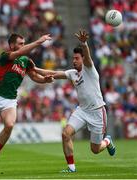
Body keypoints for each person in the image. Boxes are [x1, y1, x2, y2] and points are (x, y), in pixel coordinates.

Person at [35, 29, 116, 172]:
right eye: (73, 58)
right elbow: (53, 73)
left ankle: (107, 141)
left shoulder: (90, 69)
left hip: (97, 112)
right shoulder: (72, 74)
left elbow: (89, 57)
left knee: (95, 149)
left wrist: (84, 43)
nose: (74, 61)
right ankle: (71, 168)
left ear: (83, 59)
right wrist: (34, 68)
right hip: (82, 111)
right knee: (65, 134)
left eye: (77, 58)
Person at [0, 33, 54, 170]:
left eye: (24, 43)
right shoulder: (5, 56)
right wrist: (38, 42)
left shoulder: (26, 61)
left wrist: (44, 80)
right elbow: (19, 53)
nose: (22, 46)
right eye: (20, 43)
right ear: (12, 45)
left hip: (10, 100)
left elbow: (35, 76)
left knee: (10, 125)